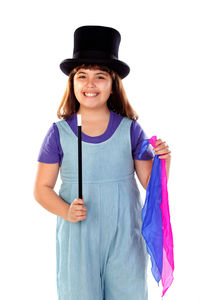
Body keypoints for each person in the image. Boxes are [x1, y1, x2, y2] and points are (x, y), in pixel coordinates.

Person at [33, 25, 171, 300]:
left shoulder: (130, 130)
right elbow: (41, 189)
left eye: (100, 77)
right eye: (82, 76)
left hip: (124, 239)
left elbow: (150, 184)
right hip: (78, 236)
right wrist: (66, 211)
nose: (90, 84)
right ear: (72, 83)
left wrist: (164, 161)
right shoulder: (58, 133)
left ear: (113, 86)